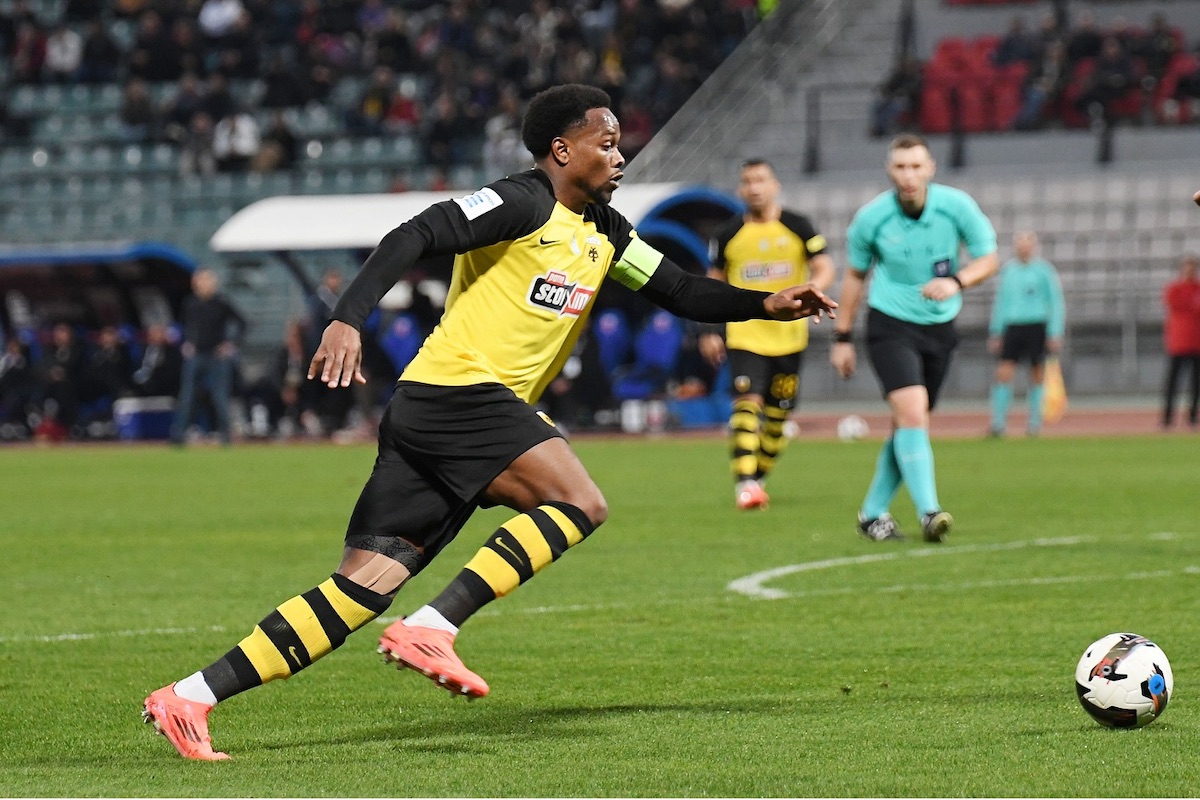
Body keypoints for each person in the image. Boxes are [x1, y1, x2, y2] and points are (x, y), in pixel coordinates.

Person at [142, 84, 836, 761]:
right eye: (608, 142)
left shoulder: (606, 231)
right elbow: (416, 233)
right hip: (459, 392)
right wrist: (347, 316)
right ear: (561, 150)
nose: (621, 156)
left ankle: (190, 696)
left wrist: (766, 302)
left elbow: (681, 289)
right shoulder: (519, 200)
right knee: (580, 501)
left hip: (443, 410)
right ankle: (432, 625)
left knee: (361, 588)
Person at [830, 133, 997, 543]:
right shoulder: (871, 219)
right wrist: (842, 336)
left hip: (940, 327)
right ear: (889, 171)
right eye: (900, 167)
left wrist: (957, 281)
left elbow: (989, 258)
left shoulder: (955, 206)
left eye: (916, 166)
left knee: (911, 422)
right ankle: (929, 511)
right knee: (913, 412)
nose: (908, 175)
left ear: (930, 168)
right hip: (890, 324)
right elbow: (854, 277)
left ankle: (872, 514)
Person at [700, 159, 835, 510]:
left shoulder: (797, 226)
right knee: (747, 403)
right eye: (748, 181)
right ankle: (745, 484)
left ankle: (756, 478)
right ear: (740, 189)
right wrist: (710, 328)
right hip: (746, 333)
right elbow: (713, 282)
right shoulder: (727, 233)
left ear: (774, 184)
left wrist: (814, 289)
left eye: (761, 180)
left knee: (777, 420)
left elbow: (824, 264)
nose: (755, 187)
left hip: (790, 337)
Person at [987, 232, 1065, 438]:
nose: (1023, 248)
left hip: (1036, 326)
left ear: (1034, 246)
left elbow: (1055, 302)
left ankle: (1034, 424)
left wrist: (1055, 331)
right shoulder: (1008, 271)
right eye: (1020, 244)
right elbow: (1001, 302)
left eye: (1027, 244)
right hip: (1013, 326)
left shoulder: (1044, 271)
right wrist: (997, 331)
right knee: (1003, 373)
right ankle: (998, 424)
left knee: (1037, 375)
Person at [170, 269, 247, 446]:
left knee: (220, 397)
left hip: (216, 357)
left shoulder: (221, 303)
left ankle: (226, 437)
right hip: (196, 356)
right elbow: (182, 326)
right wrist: (186, 342)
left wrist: (230, 344)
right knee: (187, 397)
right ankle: (178, 436)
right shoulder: (190, 304)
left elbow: (243, 323)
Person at [1161, 255, 1200, 429]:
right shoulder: (1174, 289)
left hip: (1196, 342)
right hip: (1179, 342)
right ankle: (1168, 418)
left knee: (1196, 383)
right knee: (1172, 382)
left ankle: (1192, 417)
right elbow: (1176, 305)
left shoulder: (1197, 288)